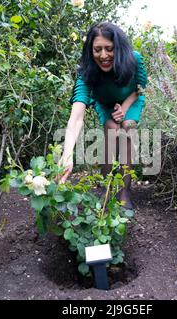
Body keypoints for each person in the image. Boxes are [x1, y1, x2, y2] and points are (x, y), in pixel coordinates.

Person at [59, 21, 148, 210]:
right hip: (105, 103)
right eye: (97, 49)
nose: (103, 55)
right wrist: (67, 155)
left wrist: (124, 107)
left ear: (119, 48)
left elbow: (140, 88)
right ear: (90, 51)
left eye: (109, 49)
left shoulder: (134, 59)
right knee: (112, 128)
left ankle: (125, 190)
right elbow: (76, 116)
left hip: (130, 101)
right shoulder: (86, 71)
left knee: (128, 126)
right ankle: (107, 186)